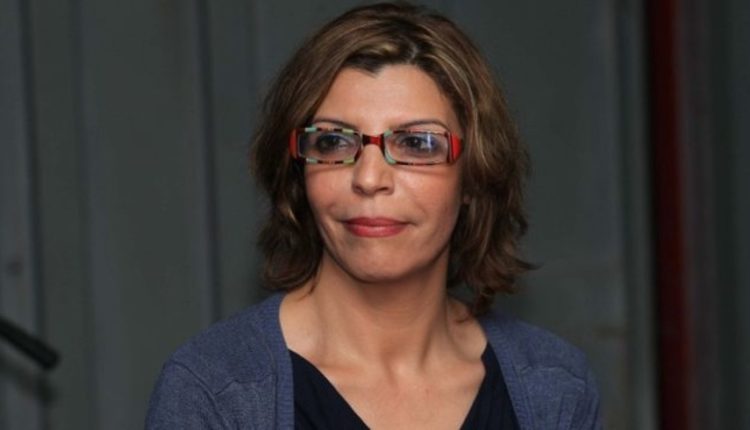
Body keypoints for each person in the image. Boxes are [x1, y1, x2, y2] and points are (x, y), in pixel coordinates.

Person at [146, 2, 602, 429]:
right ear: (298, 170)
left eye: (417, 143)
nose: (368, 178)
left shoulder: (556, 387)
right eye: (332, 142)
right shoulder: (215, 391)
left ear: (474, 175)